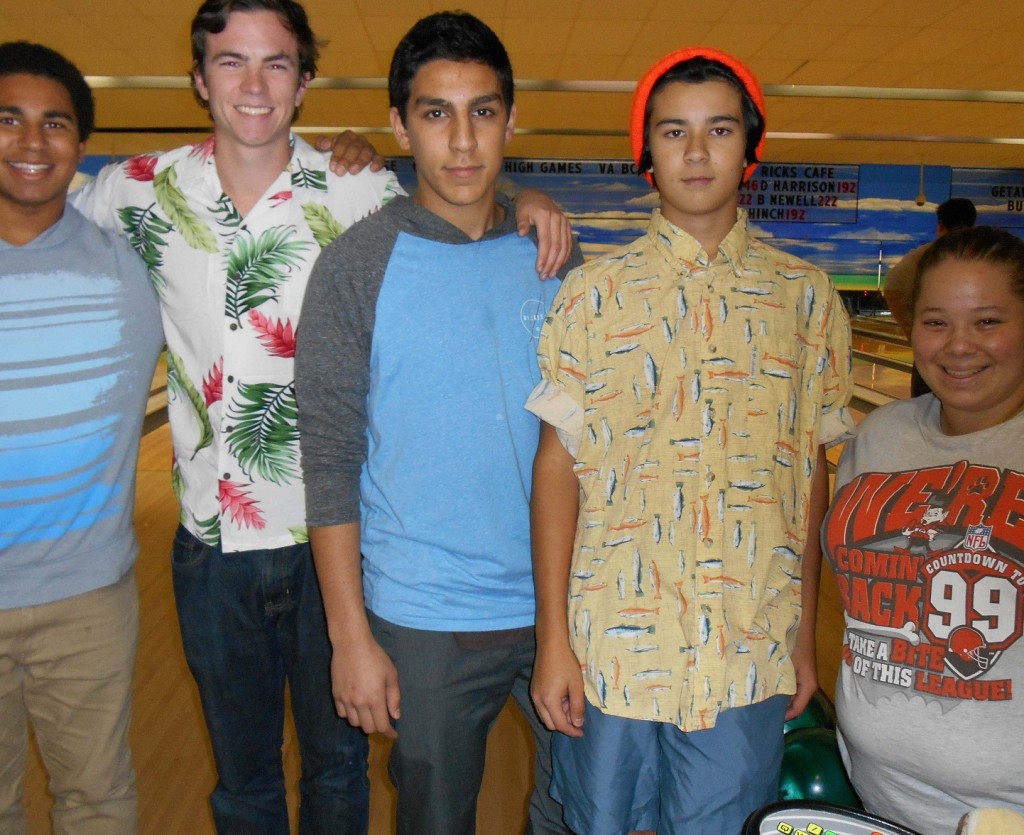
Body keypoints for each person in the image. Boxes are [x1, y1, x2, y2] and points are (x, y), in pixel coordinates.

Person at [527, 47, 854, 834]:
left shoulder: (805, 299)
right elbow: (556, 470)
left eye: (720, 130)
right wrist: (553, 645)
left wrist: (802, 637)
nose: (698, 151)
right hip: (612, 647)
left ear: (752, 147)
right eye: (674, 131)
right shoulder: (593, 295)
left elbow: (808, 477)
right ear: (647, 152)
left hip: (746, 648)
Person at [295, 12, 582, 834]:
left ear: (511, 119)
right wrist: (351, 638)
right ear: (399, 125)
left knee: (578, 813)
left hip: (563, 609)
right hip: (424, 620)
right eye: (434, 113)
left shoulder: (557, 260)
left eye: (483, 111)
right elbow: (330, 459)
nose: (462, 141)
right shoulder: (356, 267)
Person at [0, 41, 162, 833]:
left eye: (54, 123)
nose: (32, 143)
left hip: (88, 594)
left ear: (82, 147)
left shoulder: (129, 264)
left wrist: (516, 195)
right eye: (9, 120)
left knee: (97, 801)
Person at [823, 225, 1024, 834]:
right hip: (880, 803)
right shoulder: (880, 435)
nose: (959, 346)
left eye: (988, 321)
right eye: (936, 322)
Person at [884, 197, 977, 397]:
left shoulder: (924, 255)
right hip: (977, 356)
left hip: (932, 355)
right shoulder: (987, 257)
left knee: (925, 414)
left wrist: (913, 330)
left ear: (941, 225)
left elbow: (892, 287)